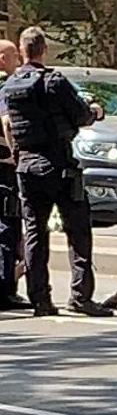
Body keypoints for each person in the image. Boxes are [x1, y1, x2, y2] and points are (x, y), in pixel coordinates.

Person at [1, 27, 114, 317]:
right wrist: (95, 111)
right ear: (44, 50)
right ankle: (80, 296)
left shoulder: (11, 86)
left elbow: (9, 125)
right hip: (59, 164)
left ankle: (40, 299)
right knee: (78, 231)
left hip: (27, 165)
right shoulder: (54, 80)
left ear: (23, 51)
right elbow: (80, 115)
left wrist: (17, 156)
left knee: (35, 232)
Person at [0, 40, 31, 310]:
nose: (18, 64)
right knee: (8, 226)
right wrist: (14, 154)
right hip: (3, 166)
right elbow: (7, 122)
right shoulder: (4, 86)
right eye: (13, 58)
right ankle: (6, 290)